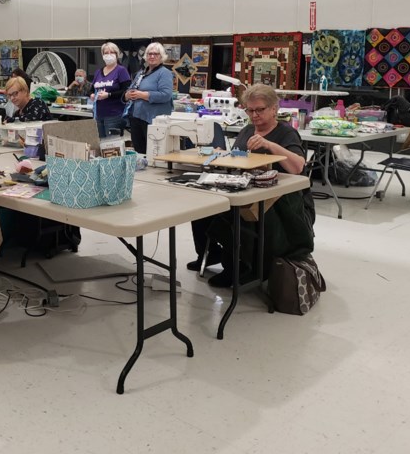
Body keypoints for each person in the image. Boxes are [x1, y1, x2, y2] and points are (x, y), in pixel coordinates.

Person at [189, 83, 315, 287]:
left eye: (260, 110)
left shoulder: (286, 134)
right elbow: (240, 160)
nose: (254, 115)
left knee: (235, 215)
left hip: (281, 200)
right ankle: (209, 253)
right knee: (200, 208)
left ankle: (239, 267)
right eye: (250, 110)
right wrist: (223, 155)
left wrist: (269, 145)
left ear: (274, 108)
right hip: (248, 189)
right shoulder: (247, 130)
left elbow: (298, 167)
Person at [123, 42, 174, 154]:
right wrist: (127, 95)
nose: (152, 56)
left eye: (156, 54)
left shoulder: (164, 73)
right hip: (136, 117)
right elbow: (131, 88)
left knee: (151, 152)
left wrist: (143, 95)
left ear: (161, 57)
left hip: (152, 120)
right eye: (149, 53)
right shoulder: (141, 73)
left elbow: (166, 95)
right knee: (139, 152)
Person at [90, 42, 132, 139]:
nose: (109, 55)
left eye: (111, 52)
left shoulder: (121, 71)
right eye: (106, 53)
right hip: (98, 115)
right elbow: (91, 89)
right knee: (100, 143)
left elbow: (126, 91)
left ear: (117, 55)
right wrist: (92, 94)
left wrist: (108, 95)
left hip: (114, 114)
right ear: (102, 55)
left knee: (112, 145)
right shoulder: (98, 72)